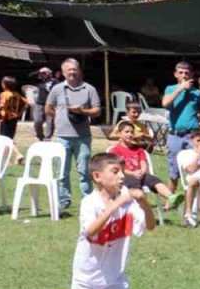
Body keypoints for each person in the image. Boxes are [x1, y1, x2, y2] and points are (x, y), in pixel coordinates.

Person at [40, 152, 155, 289]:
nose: (122, 176)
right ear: (97, 176)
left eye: (122, 171)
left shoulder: (127, 203)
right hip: (87, 276)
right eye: (115, 171)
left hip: (114, 275)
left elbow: (149, 226)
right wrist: (116, 204)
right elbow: (91, 231)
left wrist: (144, 203)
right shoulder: (90, 203)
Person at [45, 58, 103, 209]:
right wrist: (59, 118)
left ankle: (87, 199)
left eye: (74, 69)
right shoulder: (57, 89)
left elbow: (97, 110)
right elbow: (48, 108)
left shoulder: (89, 89)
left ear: (79, 71)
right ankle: (64, 200)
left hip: (83, 137)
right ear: (63, 73)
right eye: (68, 70)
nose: (71, 72)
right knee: (62, 171)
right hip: (62, 137)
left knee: (84, 170)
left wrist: (82, 111)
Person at [109, 120, 174, 202]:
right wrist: (133, 173)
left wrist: (142, 171)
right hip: (125, 176)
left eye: (132, 132)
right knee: (134, 185)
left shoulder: (139, 149)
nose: (129, 134)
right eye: (126, 132)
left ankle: (171, 197)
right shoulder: (115, 150)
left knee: (155, 181)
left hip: (141, 174)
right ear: (119, 134)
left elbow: (143, 162)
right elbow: (117, 168)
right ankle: (138, 206)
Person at [162, 61, 200, 188]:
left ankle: (195, 200)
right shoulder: (170, 89)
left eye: (186, 73)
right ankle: (170, 200)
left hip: (192, 134)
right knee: (173, 170)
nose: (184, 75)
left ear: (191, 74)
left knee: (194, 167)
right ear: (176, 74)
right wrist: (181, 88)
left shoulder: (197, 93)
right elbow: (165, 104)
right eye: (181, 73)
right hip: (175, 134)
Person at [0, 75, 27, 146]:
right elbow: (26, 102)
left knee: (3, 138)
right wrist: (20, 113)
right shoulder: (17, 94)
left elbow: (1, 105)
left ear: (5, 85)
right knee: (10, 137)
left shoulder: (4, 94)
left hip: (5, 118)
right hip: (14, 118)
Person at [32, 66, 56, 141]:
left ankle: (48, 138)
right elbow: (30, 76)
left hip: (50, 104)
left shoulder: (55, 81)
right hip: (39, 103)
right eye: (42, 73)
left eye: (45, 73)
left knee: (50, 122)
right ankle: (40, 136)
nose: (43, 74)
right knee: (37, 121)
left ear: (49, 73)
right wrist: (39, 71)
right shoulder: (38, 81)